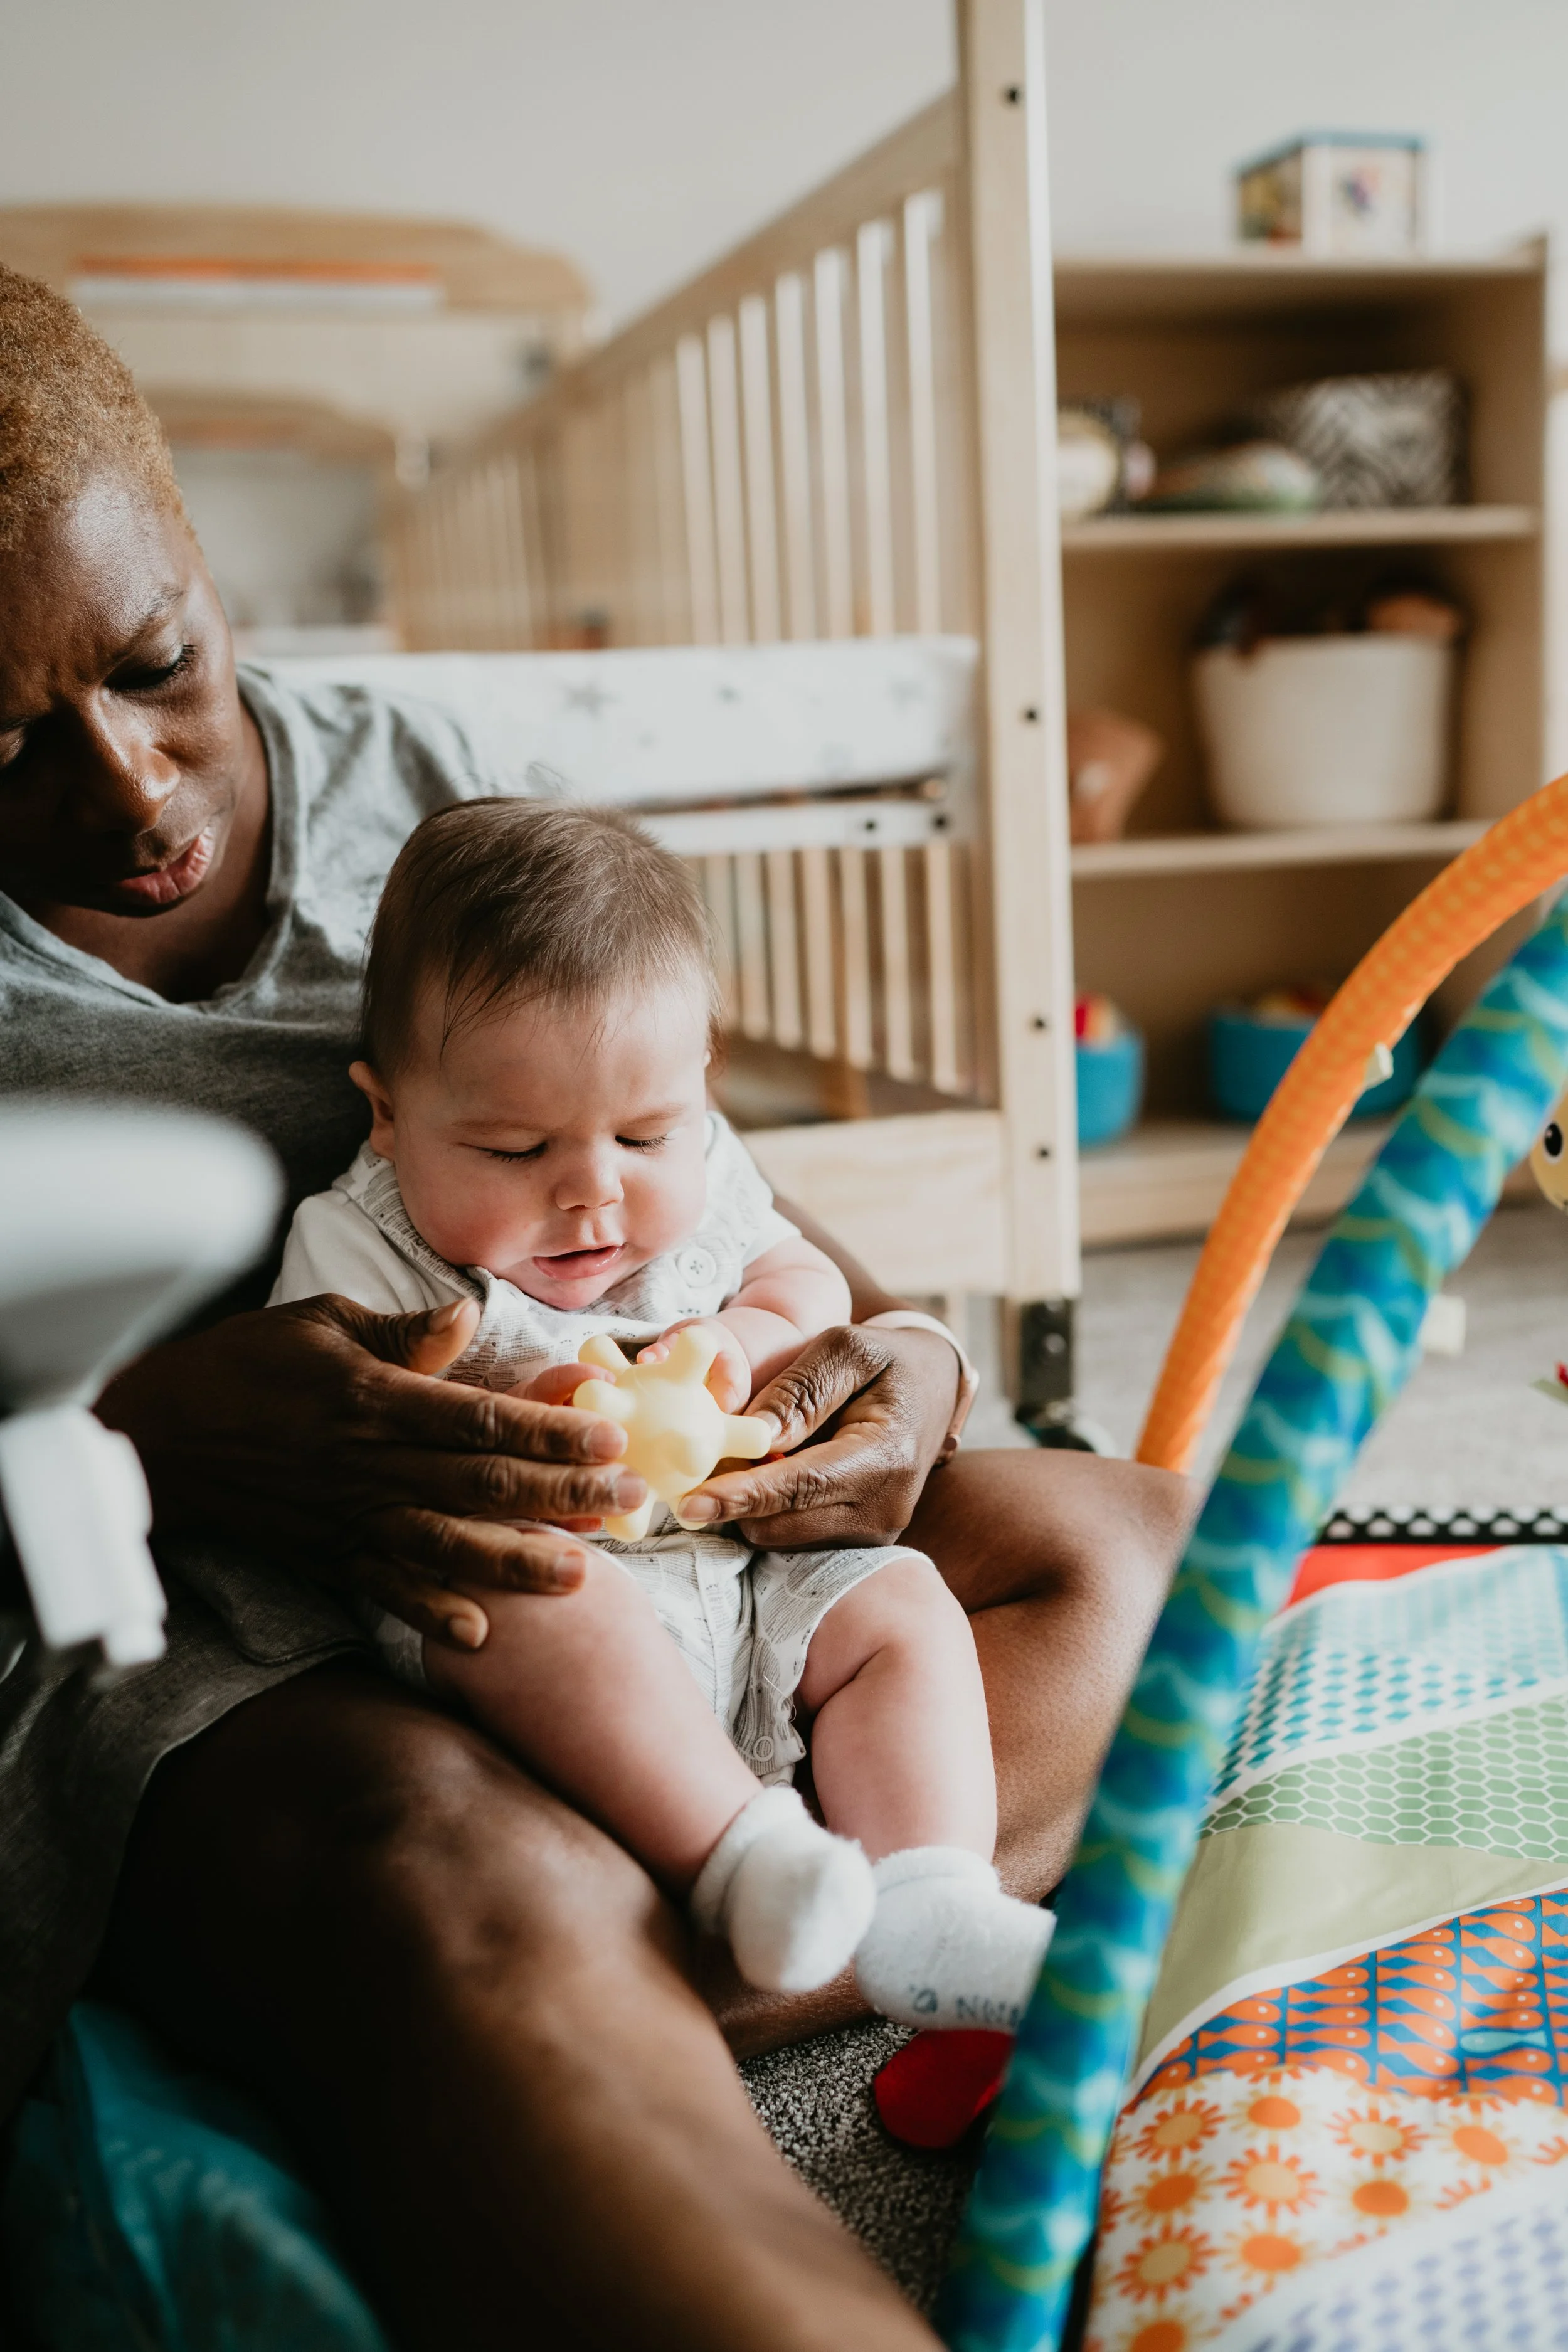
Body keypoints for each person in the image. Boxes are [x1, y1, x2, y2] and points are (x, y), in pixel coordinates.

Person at [0, 261, 1189, 2351]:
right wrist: (153, 1432)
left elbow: (662, 1158)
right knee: (444, 1860)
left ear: (198, 552)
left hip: (651, 1529)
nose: (127, 792)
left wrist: (891, 1362)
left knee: (1152, 1549)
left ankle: (639, 1964)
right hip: (211, 1636)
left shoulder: (407, 779)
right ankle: (581, 1979)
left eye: (158, 665)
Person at [272, 798, 1056, 2028]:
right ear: (386, 1114)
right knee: (528, 1607)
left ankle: (928, 1901)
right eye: (513, 1148)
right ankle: (741, 1858)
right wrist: (514, 1412)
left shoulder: (711, 1166)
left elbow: (803, 1280)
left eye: (642, 1133)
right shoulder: (350, 1237)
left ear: (699, 1086)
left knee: (897, 1602)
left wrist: (739, 1345)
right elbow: (334, 1418)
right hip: (547, 1580)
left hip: (747, 1567)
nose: (592, 1196)